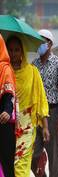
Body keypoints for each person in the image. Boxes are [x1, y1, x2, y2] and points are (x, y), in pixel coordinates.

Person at [6, 36, 50, 177]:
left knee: (20, 162)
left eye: (17, 50)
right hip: (6, 124)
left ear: (22, 51)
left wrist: (45, 127)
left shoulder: (32, 72)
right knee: (8, 163)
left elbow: (41, 99)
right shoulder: (3, 72)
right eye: (10, 50)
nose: (13, 53)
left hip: (26, 126)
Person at [32, 29, 58, 177]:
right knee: (32, 152)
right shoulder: (33, 65)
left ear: (50, 44)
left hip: (52, 111)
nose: (39, 45)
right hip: (35, 113)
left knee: (54, 154)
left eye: (42, 42)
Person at [0, 34, 17, 177]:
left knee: (6, 161)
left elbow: (9, 94)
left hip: (2, 121)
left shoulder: (5, 68)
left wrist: (7, 110)